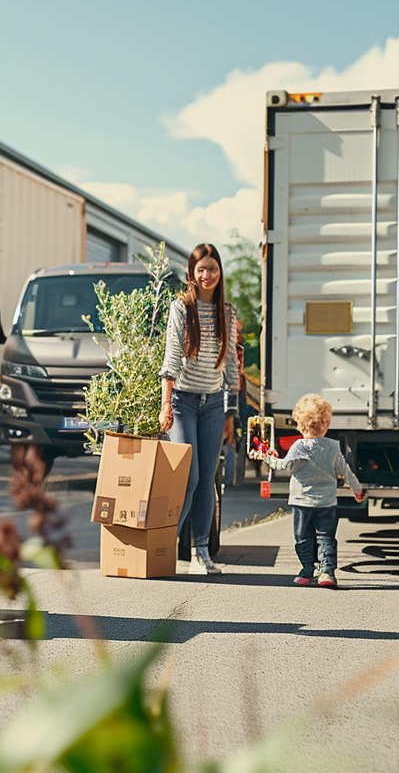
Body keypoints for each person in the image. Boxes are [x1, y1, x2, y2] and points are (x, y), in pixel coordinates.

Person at [158, 243, 239, 576]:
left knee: (207, 479)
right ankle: (163, 547)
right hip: (183, 401)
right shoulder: (181, 308)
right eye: (201, 269)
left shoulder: (227, 312)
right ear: (192, 273)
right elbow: (172, 357)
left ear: (220, 274)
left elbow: (231, 364)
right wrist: (166, 404)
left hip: (213, 404)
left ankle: (200, 552)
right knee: (186, 478)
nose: (208, 275)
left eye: (214, 269)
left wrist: (231, 413)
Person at [267, 393, 365, 588]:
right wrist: (357, 489)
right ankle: (327, 572)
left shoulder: (298, 447)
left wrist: (267, 457)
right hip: (327, 502)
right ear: (326, 424)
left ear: (299, 424)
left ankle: (306, 570)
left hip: (301, 502)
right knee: (326, 537)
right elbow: (345, 471)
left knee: (303, 537)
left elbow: (282, 465)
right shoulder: (332, 447)